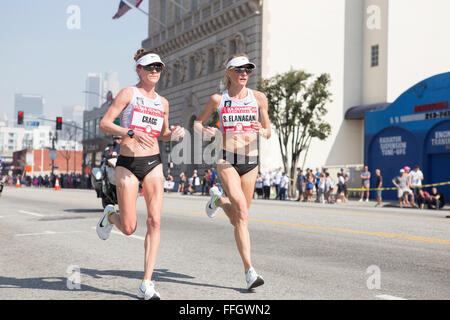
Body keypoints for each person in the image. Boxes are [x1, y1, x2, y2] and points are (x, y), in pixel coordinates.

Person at [96, 49, 185, 300]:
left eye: (158, 68)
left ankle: (146, 282)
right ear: (139, 70)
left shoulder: (163, 102)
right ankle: (110, 215)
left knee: (155, 221)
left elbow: (163, 133)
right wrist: (130, 132)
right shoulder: (128, 93)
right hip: (127, 162)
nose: (154, 71)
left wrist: (173, 133)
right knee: (128, 227)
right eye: (149, 67)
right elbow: (105, 123)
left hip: (154, 162)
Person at [194, 54, 270, 290]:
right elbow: (198, 122)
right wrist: (203, 130)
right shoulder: (219, 99)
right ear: (229, 73)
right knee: (242, 210)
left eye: (247, 70)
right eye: (239, 70)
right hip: (227, 158)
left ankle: (218, 201)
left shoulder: (258, 98)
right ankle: (249, 271)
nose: (244, 73)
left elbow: (268, 130)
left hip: (251, 161)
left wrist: (261, 130)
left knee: (239, 217)